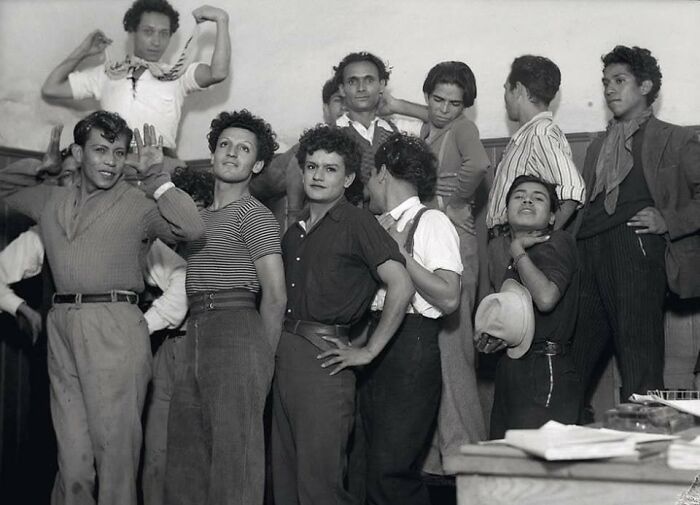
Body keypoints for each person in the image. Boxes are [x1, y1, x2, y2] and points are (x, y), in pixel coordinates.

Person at [0, 111, 204, 505]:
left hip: (115, 325)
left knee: (116, 460)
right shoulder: (51, 198)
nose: (111, 161)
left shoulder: (139, 203)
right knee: (72, 463)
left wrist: (157, 178)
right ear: (77, 153)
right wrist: (39, 170)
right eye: (99, 150)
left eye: (119, 152)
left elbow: (192, 229)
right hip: (61, 327)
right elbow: (5, 186)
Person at [271, 124, 413, 505]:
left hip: (324, 362)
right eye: (312, 166)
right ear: (302, 172)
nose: (318, 175)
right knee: (284, 483)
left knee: (320, 486)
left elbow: (401, 284)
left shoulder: (358, 222)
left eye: (330, 169)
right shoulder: (293, 231)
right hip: (284, 357)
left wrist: (367, 351)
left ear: (349, 177)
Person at [164, 110, 287, 505]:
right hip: (195, 331)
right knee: (186, 455)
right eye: (225, 145)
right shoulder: (198, 218)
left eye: (244, 148)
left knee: (236, 459)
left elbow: (276, 295)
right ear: (212, 153)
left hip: (238, 330)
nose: (233, 153)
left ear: (259, 164)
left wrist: (261, 360)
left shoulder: (255, 215)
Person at [570, 46, 700, 410]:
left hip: (636, 249)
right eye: (606, 82)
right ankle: (570, 453)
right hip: (589, 252)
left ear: (645, 86)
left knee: (639, 364)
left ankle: (645, 456)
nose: (610, 89)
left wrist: (669, 220)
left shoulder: (676, 138)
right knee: (571, 361)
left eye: (620, 81)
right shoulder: (598, 146)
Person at [363, 132, 462, 504]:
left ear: (383, 173)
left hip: (412, 347)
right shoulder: (376, 223)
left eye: (371, 177)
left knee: (392, 471)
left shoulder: (431, 221)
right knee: (371, 470)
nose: (369, 186)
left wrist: (402, 256)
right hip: (377, 343)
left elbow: (450, 297)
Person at [41, 0, 230, 154]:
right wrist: (83, 51)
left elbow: (217, 72)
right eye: (148, 32)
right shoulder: (108, 73)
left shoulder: (177, 74)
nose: (156, 41)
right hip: (114, 165)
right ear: (132, 31)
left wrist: (222, 20)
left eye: (164, 34)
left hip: (161, 165)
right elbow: (51, 88)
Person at [477, 175, 581, 438]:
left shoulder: (558, 241)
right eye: (519, 195)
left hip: (546, 369)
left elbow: (546, 298)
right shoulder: (516, 255)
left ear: (551, 218)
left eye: (538, 198)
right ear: (506, 210)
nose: (527, 199)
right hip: (513, 369)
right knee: (505, 464)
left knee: (535, 467)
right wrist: (494, 337)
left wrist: (517, 251)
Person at [486, 55, 586, 291]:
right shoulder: (529, 136)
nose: (505, 99)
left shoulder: (540, 134)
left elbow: (573, 190)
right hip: (506, 242)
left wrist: (540, 242)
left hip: (515, 245)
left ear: (518, 89)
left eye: (506, 90)